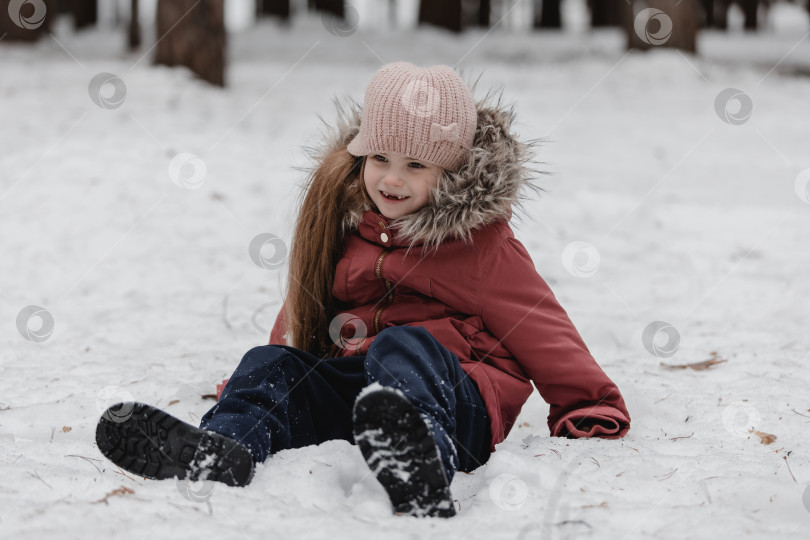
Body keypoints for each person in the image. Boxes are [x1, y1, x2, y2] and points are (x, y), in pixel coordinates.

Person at [96, 62, 631, 519]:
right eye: (381, 159)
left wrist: (590, 402)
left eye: (415, 165)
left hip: (458, 401)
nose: (391, 179)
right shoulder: (349, 224)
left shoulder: (480, 245)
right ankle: (227, 444)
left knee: (404, 347)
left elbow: (540, 323)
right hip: (364, 395)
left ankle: (420, 458)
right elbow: (302, 311)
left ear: (449, 174)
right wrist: (254, 383)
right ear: (361, 156)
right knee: (269, 361)